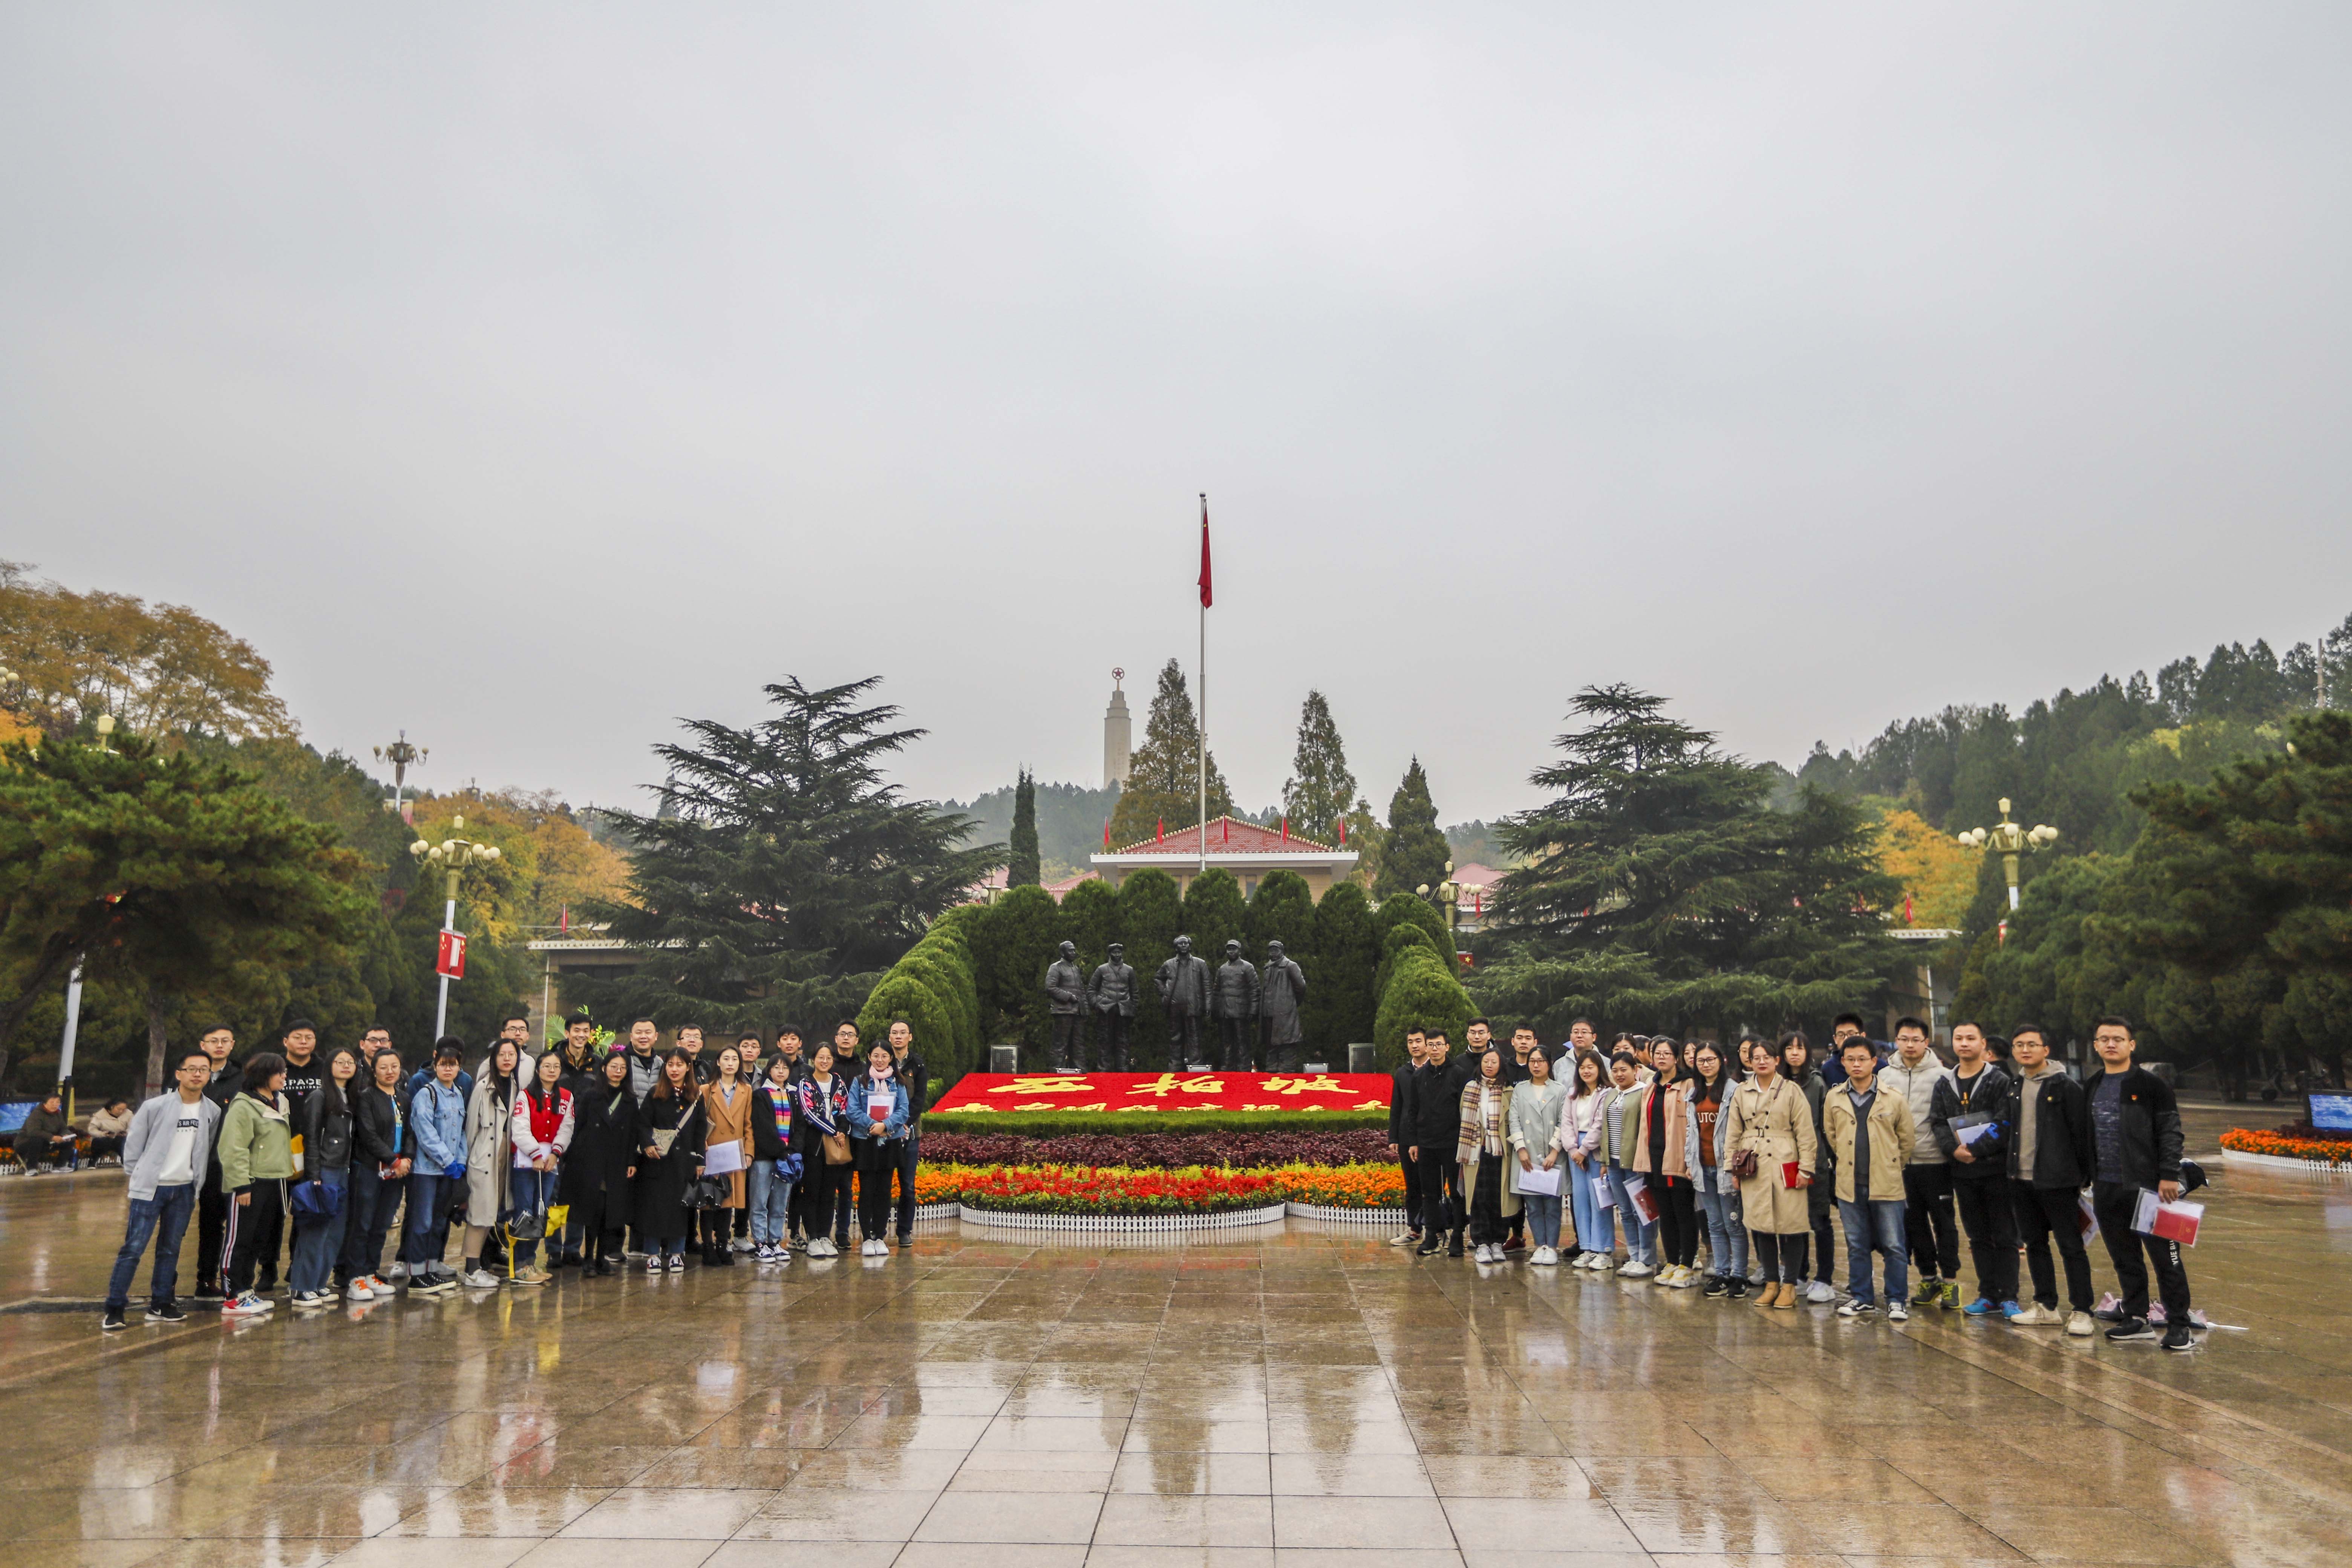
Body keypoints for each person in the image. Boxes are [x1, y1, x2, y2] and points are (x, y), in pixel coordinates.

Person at [2084, 1017, 2196, 1351]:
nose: (2111, 1044)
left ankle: (2179, 1325)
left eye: (2118, 1039)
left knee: (2167, 1260)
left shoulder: (2152, 1086)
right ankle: (2136, 1318)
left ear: (2131, 1045)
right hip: (2106, 1187)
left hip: (2150, 1189)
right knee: (2125, 1258)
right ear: (2096, 1046)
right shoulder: (2092, 1085)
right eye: (2104, 1039)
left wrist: (2168, 1175)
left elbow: (2170, 1132)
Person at [100, 1050, 219, 1331]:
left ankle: (161, 1304)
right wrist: (139, 1176)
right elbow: (133, 1145)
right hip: (151, 1190)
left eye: (204, 1070)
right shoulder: (154, 1107)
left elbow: (205, 1148)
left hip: (185, 1190)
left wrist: (195, 1183)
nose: (197, 1074)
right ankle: (115, 1308)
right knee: (133, 1249)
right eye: (191, 1069)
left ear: (209, 1075)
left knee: (170, 1249)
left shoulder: (212, 1111)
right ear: (179, 1074)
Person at [2005, 1024, 2096, 1336]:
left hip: (2058, 1181)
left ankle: (2082, 1311)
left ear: (2046, 1050)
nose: (2025, 1050)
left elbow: (2082, 1135)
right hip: (2021, 1179)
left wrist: (2082, 1177)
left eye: (2032, 1044)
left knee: (2071, 1246)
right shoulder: (2015, 1085)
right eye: (2019, 1045)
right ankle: (2046, 1306)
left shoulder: (2065, 1087)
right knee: (2035, 1244)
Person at [1931, 1021, 2019, 1317]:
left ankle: (2009, 1297)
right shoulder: (1945, 1083)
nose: (1964, 1043)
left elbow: (2005, 1121)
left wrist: (1976, 1150)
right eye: (1959, 1038)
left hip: (1995, 1170)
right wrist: (1953, 1150)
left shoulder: (2000, 1081)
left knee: (2004, 1236)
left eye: (1971, 1038)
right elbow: (1938, 1122)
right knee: (1978, 1237)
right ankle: (1987, 1295)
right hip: (1963, 1172)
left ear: (1984, 1044)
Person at [1723, 1037, 1816, 1309]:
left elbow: (1806, 1132)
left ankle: (1790, 1285)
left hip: (1787, 1160)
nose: (1762, 1062)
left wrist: (1806, 1168)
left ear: (1777, 1061)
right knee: (1760, 1224)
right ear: (1749, 1062)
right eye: (1757, 1058)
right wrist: (1732, 1169)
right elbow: (1733, 1132)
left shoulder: (1791, 1091)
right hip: (1754, 1164)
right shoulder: (1742, 1092)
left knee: (1792, 1224)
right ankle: (1771, 1282)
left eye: (1767, 1057)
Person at [1825, 1036, 1915, 1321]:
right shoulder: (1834, 1097)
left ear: (1874, 1062)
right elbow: (1832, 1136)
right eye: (1850, 1059)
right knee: (1856, 1245)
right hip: (1849, 1184)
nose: (1857, 1064)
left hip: (1887, 1183)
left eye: (1862, 1059)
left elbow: (1906, 1141)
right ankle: (1862, 1297)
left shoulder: (1893, 1098)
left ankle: (1896, 1300)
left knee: (1894, 1245)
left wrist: (1890, 1165)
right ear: (1843, 1062)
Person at [1881, 1017, 1960, 1311]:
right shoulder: (1884, 1076)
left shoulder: (1943, 1075)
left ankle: (1950, 1280)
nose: (1910, 1045)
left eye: (1916, 1040)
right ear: (1896, 1041)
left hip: (1936, 1161)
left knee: (1944, 1223)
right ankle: (1928, 1277)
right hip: (1901, 1165)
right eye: (1904, 1039)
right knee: (1913, 1224)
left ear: (1926, 1042)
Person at [216, 1052, 293, 1319]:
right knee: (239, 1239)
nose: (284, 1077)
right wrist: (242, 1186)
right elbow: (233, 1148)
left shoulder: (279, 1101)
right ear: (264, 1075)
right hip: (250, 1182)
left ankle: (245, 1290)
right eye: (279, 1072)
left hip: (275, 1180)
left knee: (258, 1239)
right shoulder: (243, 1106)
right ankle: (232, 1295)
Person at [287, 1044, 359, 1309]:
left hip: (344, 1170)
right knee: (315, 1231)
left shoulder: (352, 1097)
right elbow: (312, 1137)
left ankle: (319, 1283)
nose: (346, 1066)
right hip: (325, 1169)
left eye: (350, 1062)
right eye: (340, 1062)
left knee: (335, 1233)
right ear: (329, 1067)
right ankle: (301, 1287)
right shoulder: (319, 1096)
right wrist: (314, 1174)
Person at [1629, 1037, 1698, 1288]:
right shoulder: (1651, 1086)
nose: (1661, 1058)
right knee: (1665, 1214)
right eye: (1657, 1053)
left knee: (1683, 1212)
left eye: (1667, 1054)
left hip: (1678, 1158)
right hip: (1655, 1158)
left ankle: (1687, 1265)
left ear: (1676, 1058)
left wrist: (1691, 1160)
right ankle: (1671, 1262)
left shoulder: (1688, 1084)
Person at [343, 1045, 410, 1300]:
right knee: (362, 1224)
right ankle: (355, 1277)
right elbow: (368, 1135)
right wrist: (393, 1160)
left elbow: (411, 1133)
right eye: (383, 1067)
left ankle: (371, 1272)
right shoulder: (367, 1097)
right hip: (370, 1169)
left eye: (394, 1067)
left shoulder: (404, 1098)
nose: (390, 1071)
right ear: (374, 1071)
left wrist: (407, 1159)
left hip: (396, 1172)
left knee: (382, 1225)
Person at [563, 1051, 638, 1274]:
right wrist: (569, 1156)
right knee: (592, 1210)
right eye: (614, 1066)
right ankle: (588, 1257)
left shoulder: (630, 1099)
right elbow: (578, 1126)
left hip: (617, 1161)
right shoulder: (591, 1095)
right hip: (591, 1160)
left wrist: (632, 1161)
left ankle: (602, 1258)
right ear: (604, 1068)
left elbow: (633, 1134)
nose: (618, 1071)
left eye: (623, 1068)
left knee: (609, 1212)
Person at [404, 1043, 468, 1295]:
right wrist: (447, 1160)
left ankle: (431, 1269)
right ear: (436, 1066)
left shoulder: (458, 1094)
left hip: (449, 1171)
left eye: (453, 1065)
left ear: (459, 1067)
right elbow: (425, 1132)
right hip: (427, 1171)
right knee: (423, 1221)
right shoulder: (426, 1094)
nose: (448, 1069)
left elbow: (461, 1133)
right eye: (443, 1065)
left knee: (440, 1221)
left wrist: (460, 1161)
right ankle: (416, 1274)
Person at [508, 1047, 575, 1285]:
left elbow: (567, 1127)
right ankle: (519, 1265)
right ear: (538, 1070)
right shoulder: (526, 1096)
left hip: (550, 1163)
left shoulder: (566, 1097)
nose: (552, 1071)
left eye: (556, 1067)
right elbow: (520, 1129)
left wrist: (556, 1153)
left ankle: (531, 1262)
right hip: (526, 1162)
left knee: (541, 1212)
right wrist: (535, 1154)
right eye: (547, 1066)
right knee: (525, 1212)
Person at [1686, 1042, 1747, 1298]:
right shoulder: (1694, 1093)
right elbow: (1691, 1132)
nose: (1706, 1065)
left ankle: (1739, 1275)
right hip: (1703, 1167)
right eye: (1701, 1061)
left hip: (1726, 1168)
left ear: (1722, 1061)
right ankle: (1722, 1273)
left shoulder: (1735, 1091)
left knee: (1734, 1224)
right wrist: (1689, 1163)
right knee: (1714, 1224)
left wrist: (1736, 1167)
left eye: (1711, 1059)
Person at [634, 1051, 704, 1272]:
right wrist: (647, 1144)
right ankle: (653, 1254)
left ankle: (676, 1253)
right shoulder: (656, 1093)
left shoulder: (696, 1095)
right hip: (657, 1160)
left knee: (680, 1210)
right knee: (653, 1208)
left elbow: (700, 1129)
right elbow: (643, 1123)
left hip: (683, 1164)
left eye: (680, 1065)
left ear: (688, 1067)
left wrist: (700, 1160)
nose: (674, 1069)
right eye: (670, 1065)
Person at [459, 1039, 521, 1288]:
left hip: (505, 1153)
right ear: (494, 1059)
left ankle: (479, 1267)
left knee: (491, 1212)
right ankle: (472, 1269)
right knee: (479, 1213)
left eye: (511, 1054)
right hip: (484, 1155)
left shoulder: (516, 1086)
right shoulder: (484, 1087)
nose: (507, 1059)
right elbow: (471, 1127)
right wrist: (467, 1162)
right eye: (502, 1054)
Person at [1781, 1031, 1837, 1303]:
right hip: (1784, 1161)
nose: (1794, 1053)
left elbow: (1826, 1125)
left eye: (1800, 1048)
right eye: (1789, 1048)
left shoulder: (1816, 1084)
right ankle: (1797, 1274)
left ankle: (1824, 1278)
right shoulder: (1777, 1083)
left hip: (1814, 1161)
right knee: (1792, 1221)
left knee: (1819, 1220)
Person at [1407, 1028, 1471, 1257]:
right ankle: (1431, 1237)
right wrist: (1413, 1142)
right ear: (1426, 1047)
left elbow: (1466, 1110)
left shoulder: (1459, 1074)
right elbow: (1412, 1111)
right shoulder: (1419, 1077)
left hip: (1453, 1143)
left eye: (1439, 1045)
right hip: (1427, 1143)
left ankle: (1458, 1236)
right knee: (1430, 1193)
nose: (1435, 1049)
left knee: (1457, 1192)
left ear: (1447, 1047)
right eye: (1431, 1045)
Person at [191, 1024, 242, 1300]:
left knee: (236, 1226)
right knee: (208, 1225)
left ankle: (234, 1280)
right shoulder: (191, 1076)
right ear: (203, 1045)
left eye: (225, 1041)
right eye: (214, 1041)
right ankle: (205, 1279)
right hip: (197, 1163)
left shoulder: (242, 1079)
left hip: (230, 1163)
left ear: (233, 1045)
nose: (219, 1046)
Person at [850, 1041, 912, 1256]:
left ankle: (880, 1236)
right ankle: (867, 1238)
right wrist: (873, 1126)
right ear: (869, 1057)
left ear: (890, 1059)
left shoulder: (898, 1082)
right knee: (867, 1191)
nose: (880, 1060)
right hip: (865, 1141)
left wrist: (886, 1126)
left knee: (885, 1192)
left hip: (890, 1141)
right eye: (876, 1056)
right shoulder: (860, 1081)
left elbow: (904, 1110)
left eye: (884, 1056)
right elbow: (852, 1110)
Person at [1457, 1047, 1518, 1263]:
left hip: (1501, 1151)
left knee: (1498, 1197)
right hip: (1475, 1151)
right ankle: (1481, 1243)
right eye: (1486, 1061)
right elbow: (1463, 1116)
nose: (1489, 1065)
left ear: (1501, 1065)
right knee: (1478, 1198)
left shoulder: (1508, 1091)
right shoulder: (1471, 1088)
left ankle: (1497, 1242)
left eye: (1494, 1062)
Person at [1507, 1045, 1566, 1265]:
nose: (1536, 1065)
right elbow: (1514, 1120)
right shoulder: (1520, 1090)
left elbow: (1564, 1121)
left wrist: (1554, 1152)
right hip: (1527, 1156)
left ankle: (1552, 1247)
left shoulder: (1560, 1090)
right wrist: (1521, 1149)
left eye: (1541, 1061)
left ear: (1549, 1064)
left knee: (1552, 1205)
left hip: (1552, 1155)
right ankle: (1540, 1245)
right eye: (1533, 1061)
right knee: (1532, 1206)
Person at [794, 1041, 853, 1259]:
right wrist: (834, 1131)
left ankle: (825, 1236)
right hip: (814, 1146)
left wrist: (842, 1130)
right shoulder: (806, 1083)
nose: (825, 1061)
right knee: (812, 1191)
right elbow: (809, 1114)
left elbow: (845, 1109)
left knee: (829, 1193)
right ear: (814, 1059)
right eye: (821, 1057)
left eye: (829, 1058)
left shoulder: (838, 1082)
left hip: (836, 1146)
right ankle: (813, 1238)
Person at [695, 1044, 751, 1266]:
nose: (730, 1063)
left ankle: (722, 1244)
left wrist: (749, 1152)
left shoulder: (746, 1090)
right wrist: (701, 1146)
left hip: (734, 1152)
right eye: (726, 1059)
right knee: (709, 1202)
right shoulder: (706, 1090)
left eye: (734, 1059)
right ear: (718, 1062)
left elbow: (748, 1124)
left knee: (728, 1201)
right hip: (712, 1151)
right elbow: (699, 1123)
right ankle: (708, 1246)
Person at [1602, 1052, 1655, 1276]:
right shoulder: (1612, 1094)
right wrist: (1604, 1161)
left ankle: (1647, 1259)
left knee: (1642, 1211)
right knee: (1625, 1211)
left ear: (1635, 1070)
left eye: (1624, 1070)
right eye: (1615, 1070)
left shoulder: (1644, 1092)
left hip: (1636, 1162)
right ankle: (1633, 1256)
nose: (1619, 1074)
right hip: (1614, 1162)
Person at [1560, 1049, 1612, 1270]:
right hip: (1575, 1151)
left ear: (1599, 1069)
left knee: (1599, 1200)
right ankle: (1587, 1248)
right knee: (1580, 1201)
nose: (1586, 1071)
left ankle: (1604, 1250)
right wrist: (1573, 1149)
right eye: (1582, 1067)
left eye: (1591, 1067)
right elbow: (1565, 1123)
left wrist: (1583, 1150)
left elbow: (1600, 1125)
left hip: (1596, 1150)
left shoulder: (1607, 1093)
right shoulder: (1573, 1094)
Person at [749, 1053, 801, 1262]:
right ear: (769, 1070)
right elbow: (764, 1128)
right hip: (765, 1157)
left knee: (780, 1202)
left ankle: (775, 1241)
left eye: (785, 1068)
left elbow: (800, 1127)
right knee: (760, 1201)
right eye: (777, 1067)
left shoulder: (794, 1095)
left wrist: (793, 1150)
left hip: (787, 1159)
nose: (781, 1071)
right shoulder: (761, 1095)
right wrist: (782, 1150)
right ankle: (761, 1242)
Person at [1387, 1030, 1428, 1248]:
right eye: (1410, 1042)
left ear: (1427, 1044)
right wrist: (1393, 1137)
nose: (1414, 1045)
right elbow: (1397, 1106)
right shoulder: (1403, 1073)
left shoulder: (1436, 1070)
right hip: (1406, 1136)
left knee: (1432, 1186)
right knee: (1412, 1185)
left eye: (1418, 1041)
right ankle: (1414, 1229)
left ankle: (1436, 1229)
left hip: (1431, 1137)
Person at [15, 1092, 78, 1172]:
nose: (55, 1105)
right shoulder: (37, 1114)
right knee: (37, 1140)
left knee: (70, 1141)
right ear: (45, 1103)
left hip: (48, 1142)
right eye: (52, 1102)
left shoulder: (58, 1113)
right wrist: (52, 1138)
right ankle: (32, 1168)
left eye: (58, 1102)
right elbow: (33, 1132)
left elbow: (63, 1128)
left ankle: (60, 1166)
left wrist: (66, 1135)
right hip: (26, 1143)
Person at [621, 1017, 665, 1104]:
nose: (643, 1037)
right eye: (639, 1033)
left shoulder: (660, 1063)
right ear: (631, 1037)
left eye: (648, 1033)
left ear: (656, 1036)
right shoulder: (623, 1061)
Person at [87, 1099, 132, 1164]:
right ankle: (93, 1161)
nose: (121, 1112)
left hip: (122, 1138)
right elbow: (92, 1130)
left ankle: (126, 1161)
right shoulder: (100, 1116)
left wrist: (127, 1133)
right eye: (119, 1109)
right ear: (112, 1107)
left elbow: (133, 1126)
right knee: (99, 1142)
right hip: (105, 1138)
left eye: (123, 1110)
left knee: (124, 1142)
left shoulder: (128, 1114)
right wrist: (104, 1134)